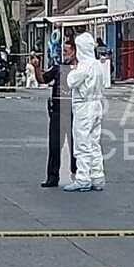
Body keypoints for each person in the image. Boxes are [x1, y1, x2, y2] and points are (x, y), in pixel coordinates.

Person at [65, 32, 107, 192]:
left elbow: (71, 81)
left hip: (84, 106)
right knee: (94, 143)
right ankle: (98, 176)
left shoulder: (84, 66)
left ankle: (83, 178)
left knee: (82, 143)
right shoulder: (97, 65)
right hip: (97, 104)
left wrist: (73, 69)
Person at [41, 38, 78, 188]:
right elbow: (42, 79)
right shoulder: (58, 68)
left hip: (73, 112)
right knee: (54, 145)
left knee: (75, 146)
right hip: (57, 111)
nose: (64, 54)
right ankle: (52, 177)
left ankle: (78, 175)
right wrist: (36, 67)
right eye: (63, 51)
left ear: (74, 51)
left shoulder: (80, 69)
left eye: (66, 51)